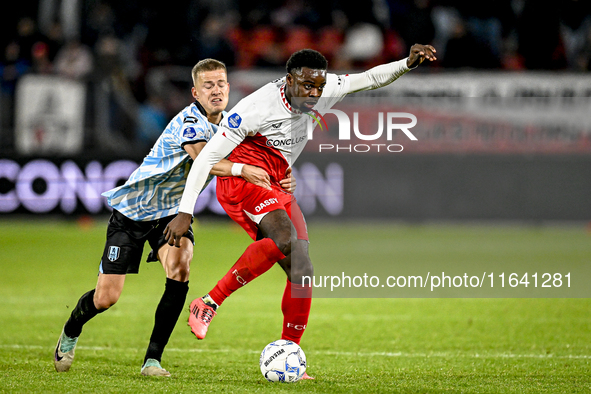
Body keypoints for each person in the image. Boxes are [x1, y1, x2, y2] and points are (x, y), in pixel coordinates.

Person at [164, 45, 436, 378]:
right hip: (244, 179)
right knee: (284, 238)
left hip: (274, 181)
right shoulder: (255, 107)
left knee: (303, 268)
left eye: (319, 87)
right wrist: (185, 211)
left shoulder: (323, 88)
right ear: (289, 80)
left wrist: (407, 64)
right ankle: (209, 301)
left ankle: (290, 350)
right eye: (307, 86)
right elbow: (206, 159)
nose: (315, 94)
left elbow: (368, 79)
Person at [53, 58, 295, 377]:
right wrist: (242, 169)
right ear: (195, 92)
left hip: (171, 214)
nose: (216, 90)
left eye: (221, 83)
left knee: (180, 268)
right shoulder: (190, 122)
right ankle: (71, 331)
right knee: (106, 297)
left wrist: (280, 176)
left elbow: (264, 154)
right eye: (208, 85)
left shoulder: (234, 125)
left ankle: (152, 360)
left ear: (229, 88)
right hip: (134, 212)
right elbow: (202, 159)